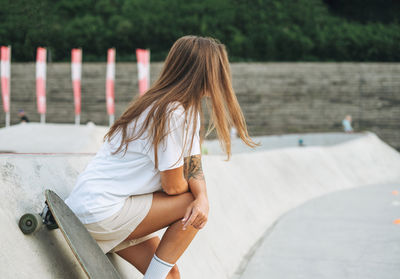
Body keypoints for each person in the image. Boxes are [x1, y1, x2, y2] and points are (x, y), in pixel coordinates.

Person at [64, 35, 256, 279]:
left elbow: (193, 167)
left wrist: (203, 197)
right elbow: (174, 186)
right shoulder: (172, 111)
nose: (222, 78)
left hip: (105, 209)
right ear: (200, 73)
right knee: (190, 206)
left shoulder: (185, 108)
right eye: (217, 70)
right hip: (101, 210)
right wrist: (197, 200)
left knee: (170, 275)